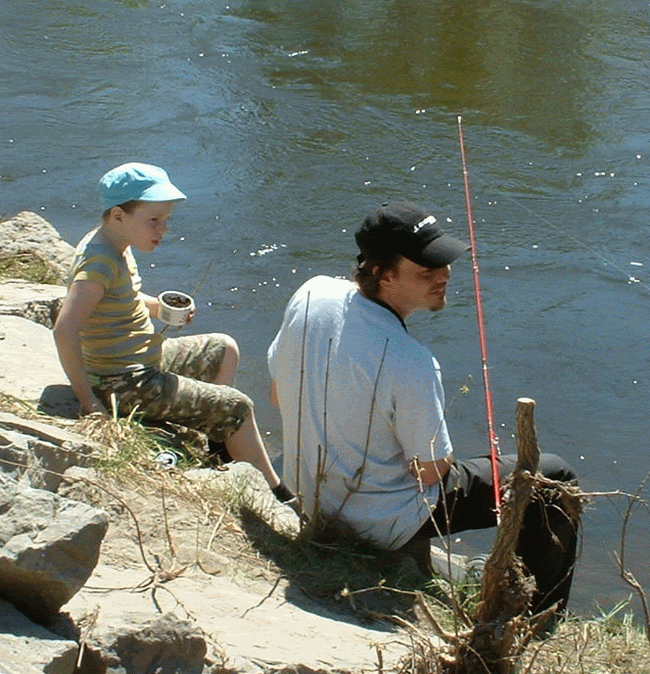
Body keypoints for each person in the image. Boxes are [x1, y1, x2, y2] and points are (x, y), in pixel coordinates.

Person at [267, 201, 579, 614]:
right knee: (553, 474)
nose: (444, 276)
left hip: (308, 493)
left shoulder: (311, 293)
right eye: (426, 270)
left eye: (444, 263)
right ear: (383, 273)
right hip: (383, 523)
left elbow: (276, 396)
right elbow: (431, 471)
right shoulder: (410, 361)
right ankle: (538, 612)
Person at [54, 162, 293, 502]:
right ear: (119, 215)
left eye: (165, 219)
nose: (163, 228)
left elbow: (122, 298)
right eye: (154, 220)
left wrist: (159, 309)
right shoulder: (99, 263)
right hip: (122, 381)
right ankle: (277, 494)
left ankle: (220, 446)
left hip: (143, 358)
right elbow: (65, 329)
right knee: (238, 405)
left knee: (224, 347)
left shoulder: (113, 244)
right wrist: (89, 401)